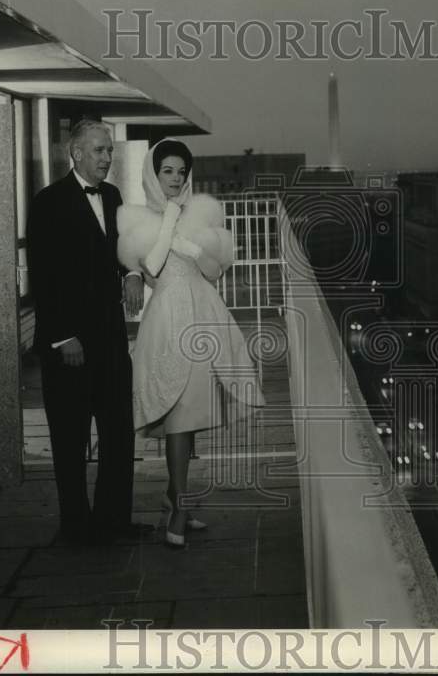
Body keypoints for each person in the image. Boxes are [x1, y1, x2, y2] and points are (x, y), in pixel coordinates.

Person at [117, 138, 265, 547]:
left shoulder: (203, 211)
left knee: (191, 412)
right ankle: (181, 504)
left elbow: (215, 270)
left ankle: (174, 496)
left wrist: (190, 240)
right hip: (166, 321)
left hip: (204, 317)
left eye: (181, 171)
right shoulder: (133, 219)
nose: (176, 178)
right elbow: (151, 266)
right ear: (153, 172)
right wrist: (168, 223)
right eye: (167, 170)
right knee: (177, 412)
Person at [27, 119, 152, 545]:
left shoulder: (113, 195)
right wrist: (63, 337)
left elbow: (121, 247)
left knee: (118, 433)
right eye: (99, 150)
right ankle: (76, 528)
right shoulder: (48, 202)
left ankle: (114, 521)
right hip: (69, 344)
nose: (106, 158)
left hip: (111, 340)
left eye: (110, 151)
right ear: (76, 153)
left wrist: (133, 271)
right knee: (70, 437)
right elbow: (43, 276)